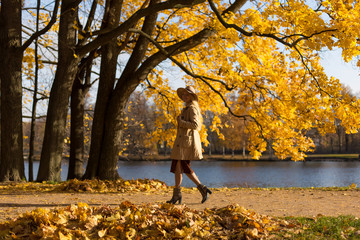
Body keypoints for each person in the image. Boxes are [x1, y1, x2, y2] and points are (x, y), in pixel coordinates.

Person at [167, 86, 212, 204]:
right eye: (183, 95)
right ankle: (177, 194)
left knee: (184, 167)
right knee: (177, 166)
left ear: (192, 96)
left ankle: (201, 188)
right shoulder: (186, 108)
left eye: (187, 95)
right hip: (182, 142)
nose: (184, 97)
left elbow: (196, 126)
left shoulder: (192, 108)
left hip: (187, 142)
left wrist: (181, 122)